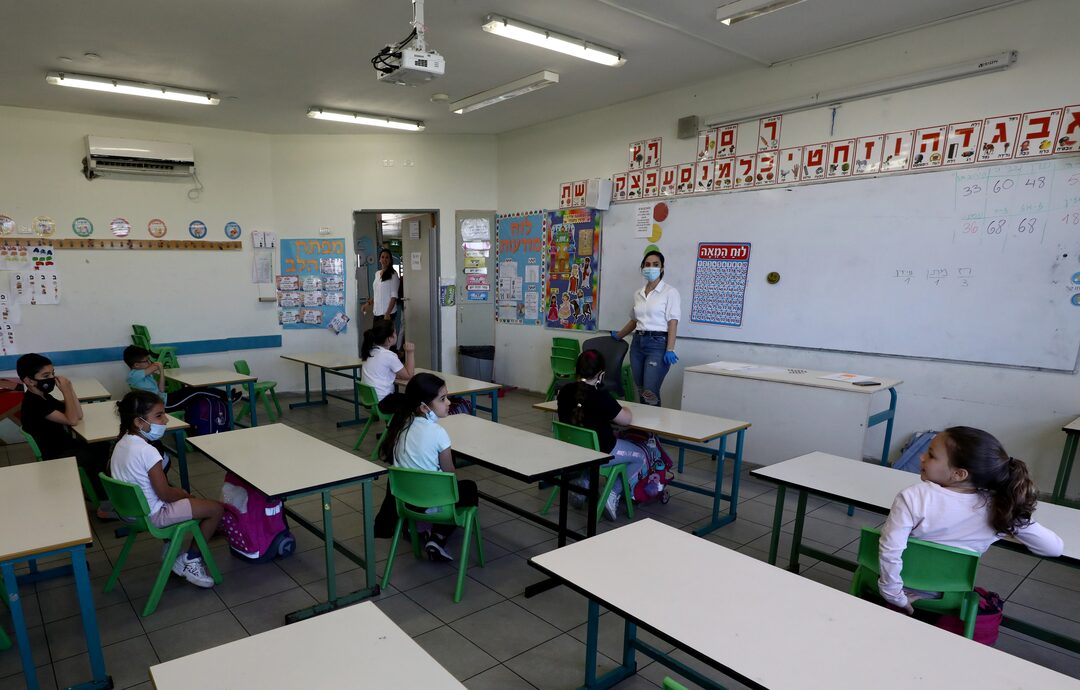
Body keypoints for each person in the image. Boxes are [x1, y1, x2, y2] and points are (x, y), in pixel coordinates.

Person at [878, 426, 1064, 613]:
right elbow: (1054, 548)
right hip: (949, 598)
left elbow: (890, 549)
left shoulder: (913, 496)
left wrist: (895, 596)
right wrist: (1013, 525)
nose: (922, 457)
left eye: (931, 455)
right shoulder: (1000, 507)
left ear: (959, 474)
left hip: (894, 587)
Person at [110, 390, 224, 588]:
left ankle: (171, 549)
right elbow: (165, 494)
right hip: (153, 516)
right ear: (139, 422)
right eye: (159, 415)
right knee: (215, 509)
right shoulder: (147, 451)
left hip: (131, 514)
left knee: (191, 501)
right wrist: (184, 495)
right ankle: (190, 560)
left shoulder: (121, 443)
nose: (166, 420)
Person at [375, 373, 477, 562]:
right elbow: (450, 476)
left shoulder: (401, 426)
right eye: (442, 399)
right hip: (433, 503)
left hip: (406, 502)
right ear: (424, 407)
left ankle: (420, 526)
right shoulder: (438, 433)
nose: (449, 403)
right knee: (469, 487)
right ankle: (438, 537)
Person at [556, 349, 649, 520]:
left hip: (574, 451)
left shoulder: (564, 391)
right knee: (641, 456)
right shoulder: (602, 397)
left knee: (589, 445)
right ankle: (612, 492)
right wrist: (625, 408)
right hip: (602, 452)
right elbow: (626, 420)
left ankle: (583, 484)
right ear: (601, 375)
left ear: (576, 370)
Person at [16, 353, 110, 514]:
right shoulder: (34, 403)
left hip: (64, 444)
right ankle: (105, 506)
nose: (52, 378)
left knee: (102, 445)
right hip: (55, 453)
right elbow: (72, 420)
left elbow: (78, 414)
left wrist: (70, 389)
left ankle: (100, 489)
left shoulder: (44, 396)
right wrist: (65, 391)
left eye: (53, 373)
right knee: (95, 456)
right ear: (29, 381)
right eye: (46, 376)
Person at [611, 249, 681, 406]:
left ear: (662, 268)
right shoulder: (638, 293)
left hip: (658, 344)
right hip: (638, 343)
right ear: (642, 268)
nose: (651, 268)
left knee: (650, 391)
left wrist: (670, 349)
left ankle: (653, 422)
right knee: (641, 389)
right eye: (647, 264)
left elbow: (673, 322)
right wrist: (619, 335)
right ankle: (644, 421)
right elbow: (634, 320)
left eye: (656, 264)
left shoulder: (670, 292)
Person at [123, 345, 237, 411]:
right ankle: (228, 398)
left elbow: (161, 389)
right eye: (146, 360)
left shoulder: (143, 374)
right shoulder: (133, 375)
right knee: (197, 392)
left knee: (194, 388)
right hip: (164, 405)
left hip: (165, 398)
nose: (149, 362)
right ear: (136, 365)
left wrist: (161, 371)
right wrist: (158, 365)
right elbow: (154, 366)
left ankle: (227, 395)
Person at [360, 319, 415, 415]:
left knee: (402, 397)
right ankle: (402, 424)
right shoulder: (388, 355)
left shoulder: (370, 351)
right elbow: (409, 375)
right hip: (382, 403)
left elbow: (386, 373)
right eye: (395, 332)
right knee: (414, 400)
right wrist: (410, 352)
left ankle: (394, 424)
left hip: (369, 402)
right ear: (390, 338)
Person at [362, 248, 400, 323]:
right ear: (379, 259)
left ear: (390, 260)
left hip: (387, 314)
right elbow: (377, 294)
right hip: (377, 312)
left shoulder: (393, 274)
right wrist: (367, 304)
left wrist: (387, 313)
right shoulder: (377, 274)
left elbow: (394, 296)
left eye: (387, 257)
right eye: (382, 257)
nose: (384, 259)